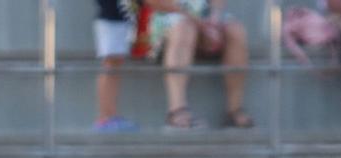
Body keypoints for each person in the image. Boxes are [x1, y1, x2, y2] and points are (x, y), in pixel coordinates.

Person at [143, 1, 255, 130]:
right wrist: (200, 24)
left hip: (202, 18)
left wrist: (214, 20)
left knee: (236, 31)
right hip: (165, 15)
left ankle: (234, 110)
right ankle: (177, 110)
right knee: (184, 28)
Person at [93, 1, 140, 132]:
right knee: (110, 65)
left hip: (119, 21)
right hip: (111, 21)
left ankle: (110, 115)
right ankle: (105, 117)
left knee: (114, 66)